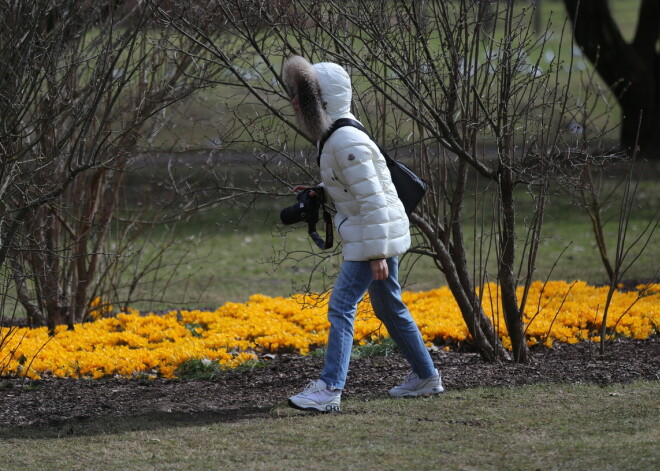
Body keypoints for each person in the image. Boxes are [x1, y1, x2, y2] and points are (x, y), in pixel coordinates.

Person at [282, 55, 443, 412]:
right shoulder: (337, 137)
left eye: (303, 95)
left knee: (341, 307)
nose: (295, 102)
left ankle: (328, 389)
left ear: (324, 99)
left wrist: (376, 254)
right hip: (373, 234)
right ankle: (426, 376)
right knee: (389, 306)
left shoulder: (345, 141)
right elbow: (358, 189)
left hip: (372, 238)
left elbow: (374, 201)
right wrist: (320, 192)